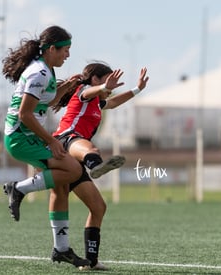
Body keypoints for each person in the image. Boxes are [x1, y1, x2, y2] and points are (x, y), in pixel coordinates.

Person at [1, 25, 90, 268]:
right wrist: (51, 141)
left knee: (61, 187)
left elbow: (45, 101)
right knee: (73, 170)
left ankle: (61, 250)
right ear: (52, 49)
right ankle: (17, 189)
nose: (68, 55)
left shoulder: (46, 70)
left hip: (30, 136)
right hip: (21, 137)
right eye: (65, 50)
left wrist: (64, 88)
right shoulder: (39, 72)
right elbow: (26, 113)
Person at [51, 62, 149, 270]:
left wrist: (137, 89)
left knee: (98, 207)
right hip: (64, 142)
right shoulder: (83, 91)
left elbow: (113, 103)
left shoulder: (97, 103)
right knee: (91, 151)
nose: (109, 88)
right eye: (106, 82)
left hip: (76, 157)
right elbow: (92, 91)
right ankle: (95, 165)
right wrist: (104, 88)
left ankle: (91, 261)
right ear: (95, 79)